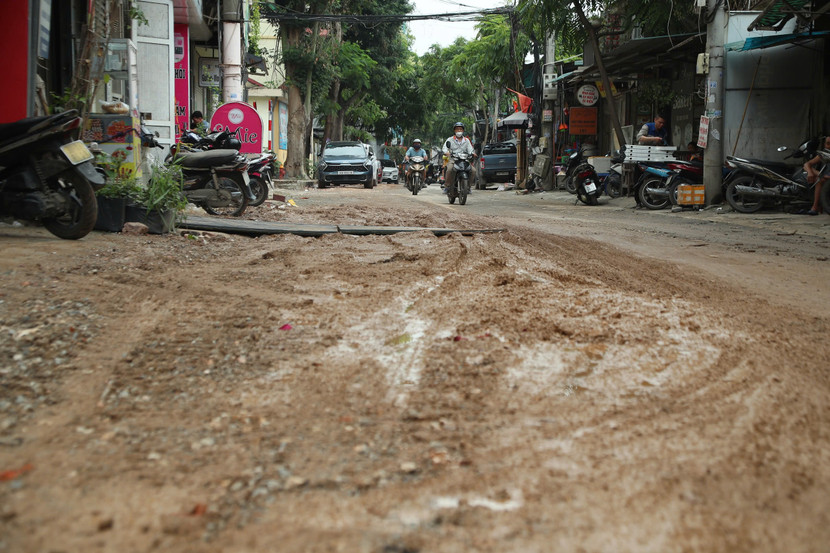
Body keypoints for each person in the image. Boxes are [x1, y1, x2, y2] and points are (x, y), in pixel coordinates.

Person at [442, 122, 475, 194]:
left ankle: (468, 187)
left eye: (460, 129)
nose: (459, 131)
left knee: (473, 170)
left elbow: (470, 149)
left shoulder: (466, 140)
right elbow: (445, 148)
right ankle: (447, 186)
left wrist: (472, 153)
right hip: (454, 159)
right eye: (457, 129)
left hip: (464, 160)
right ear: (454, 130)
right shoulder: (450, 139)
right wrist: (446, 152)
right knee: (449, 169)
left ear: (463, 130)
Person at [802, 135, 830, 215]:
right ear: (824, 145)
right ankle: (815, 207)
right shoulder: (823, 155)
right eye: (828, 144)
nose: (829, 146)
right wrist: (811, 172)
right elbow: (806, 164)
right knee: (819, 179)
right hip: (824, 178)